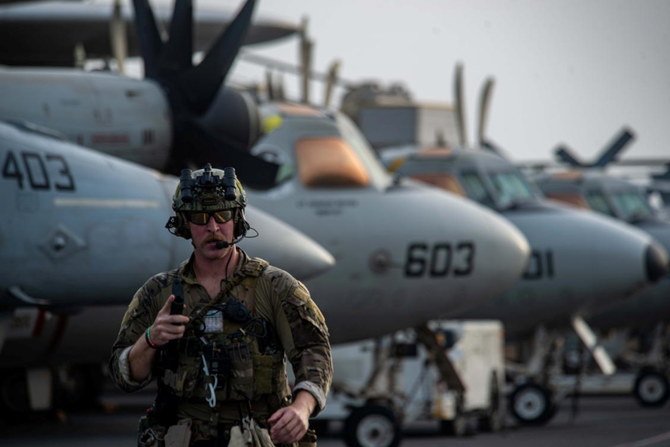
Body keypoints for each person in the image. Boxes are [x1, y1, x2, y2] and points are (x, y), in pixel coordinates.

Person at [109, 164, 332, 447]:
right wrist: (151, 339)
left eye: (223, 215)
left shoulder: (276, 287)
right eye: (200, 218)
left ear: (237, 219)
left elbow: (315, 352)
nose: (213, 228)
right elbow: (124, 375)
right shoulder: (158, 292)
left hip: (256, 435)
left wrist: (301, 408)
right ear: (184, 224)